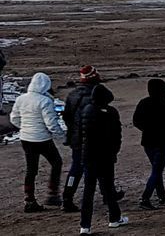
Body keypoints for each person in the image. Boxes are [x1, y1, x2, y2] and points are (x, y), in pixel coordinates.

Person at [10, 71, 65, 213]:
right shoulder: (45, 101)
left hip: (26, 138)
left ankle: (29, 199)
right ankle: (53, 193)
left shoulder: (21, 99)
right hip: (42, 139)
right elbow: (51, 124)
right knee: (56, 162)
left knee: (31, 169)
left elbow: (14, 118)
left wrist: (25, 128)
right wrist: (63, 136)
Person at [78, 83, 127, 233]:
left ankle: (85, 226)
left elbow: (81, 134)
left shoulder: (86, 110)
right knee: (108, 188)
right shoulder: (111, 112)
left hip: (89, 156)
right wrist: (114, 152)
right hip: (105, 156)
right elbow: (116, 136)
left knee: (88, 191)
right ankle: (114, 218)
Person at [131, 78, 165, 209]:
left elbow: (136, 121)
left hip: (148, 140)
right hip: (163, 141)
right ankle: (146, 198)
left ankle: (161, 195)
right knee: (157, 170)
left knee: (156, 169)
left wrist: (146, 130)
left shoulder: (144, 103)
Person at [60, 65, 100, 212]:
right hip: (93, 139)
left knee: (76, 168)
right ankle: (108, 194)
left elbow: (67, 117)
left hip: (76, 139)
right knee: (101, 166)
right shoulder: (96, 95)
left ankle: (67, 197)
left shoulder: (72, 95)